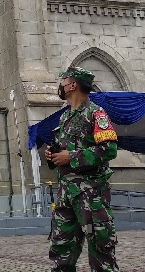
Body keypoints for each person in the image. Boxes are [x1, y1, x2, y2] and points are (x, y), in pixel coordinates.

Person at [45, 66, 119, 272]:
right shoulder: (64, 117)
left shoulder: (95, 113)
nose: (60, 85)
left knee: (100, 247)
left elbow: (109, 149)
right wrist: (54, 156)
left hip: (90, 192)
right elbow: (66, 150)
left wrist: (71, 156)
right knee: (61, 247)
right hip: (66, 191)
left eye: (63, 80)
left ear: (73, 84)